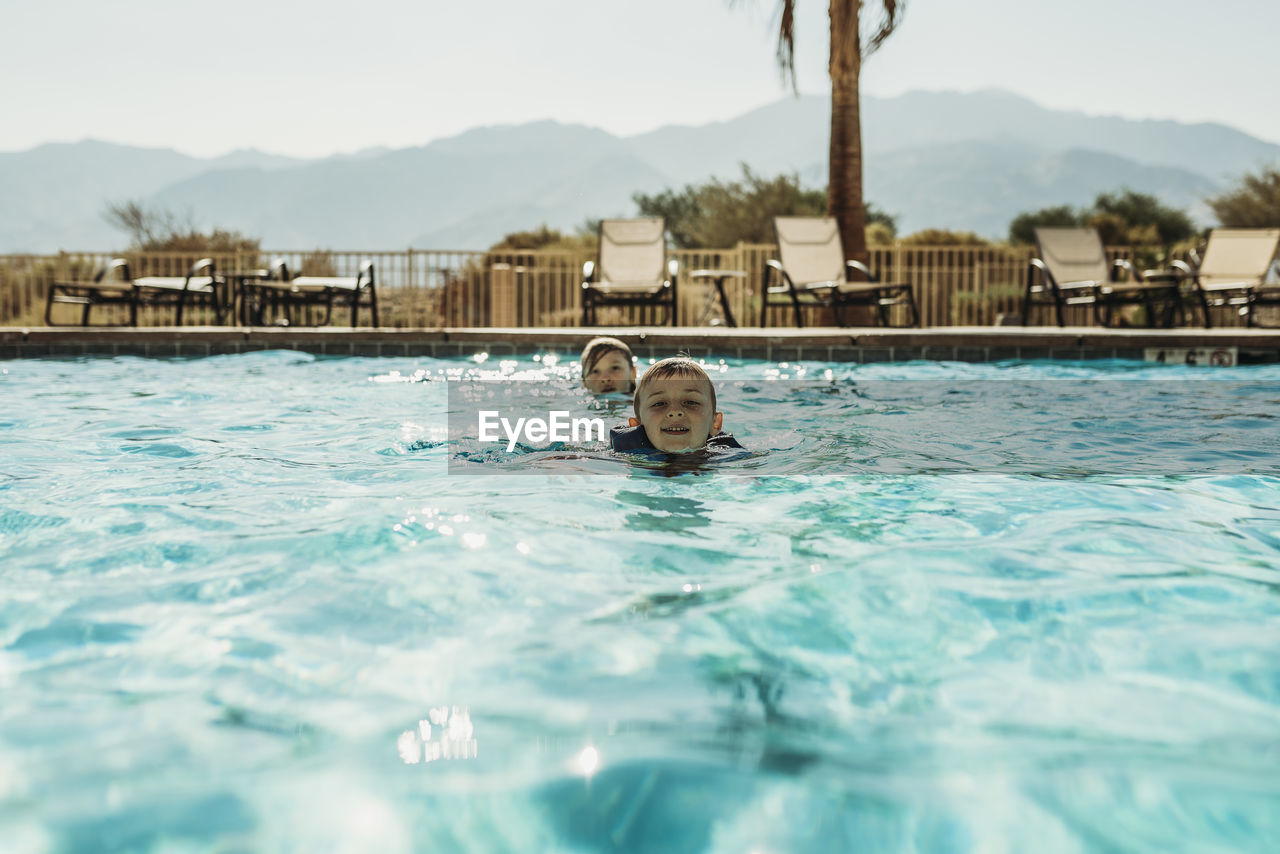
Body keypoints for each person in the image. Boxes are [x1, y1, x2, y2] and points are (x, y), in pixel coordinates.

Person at [610, 356, 744, 454]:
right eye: (659, 403)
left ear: (715, 423)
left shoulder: (731, 456)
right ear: (636, 426)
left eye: (691, 402)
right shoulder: (623, 455)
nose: (675, 411)